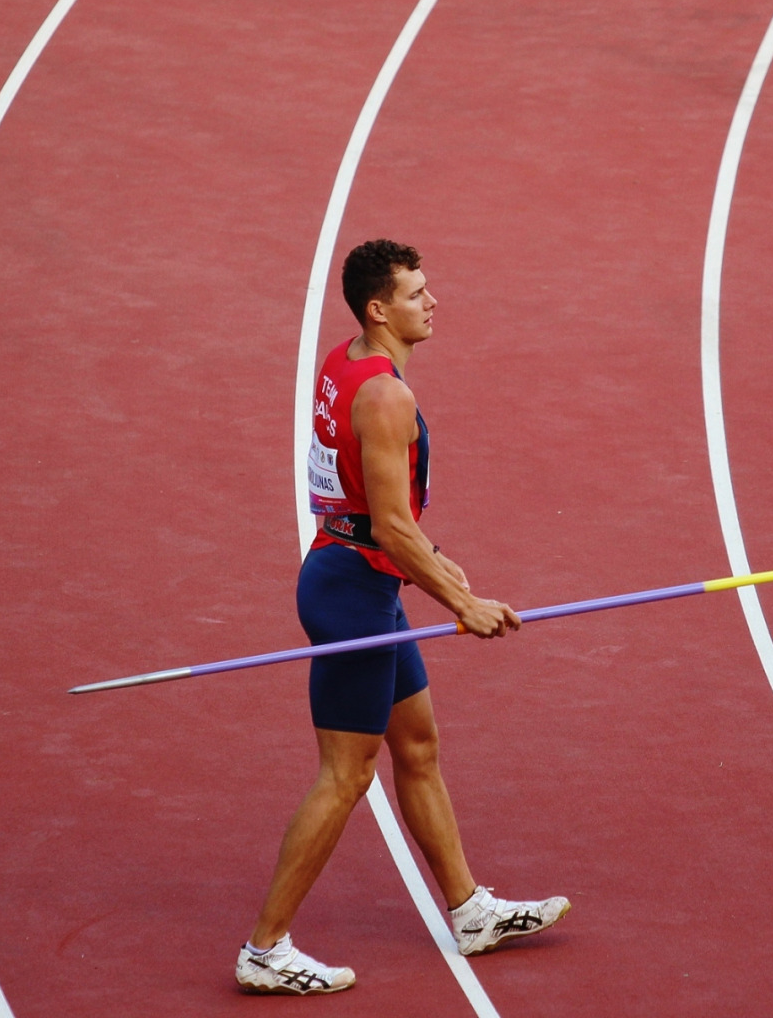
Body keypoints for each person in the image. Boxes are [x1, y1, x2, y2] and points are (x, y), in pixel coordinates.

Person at [236, 240, 569, 995]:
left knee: (417, 745)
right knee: (346, 776)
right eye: (418, 293)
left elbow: (372, 514)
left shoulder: (344, 361)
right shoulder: (387, 396)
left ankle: (468, 910)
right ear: (379, 309)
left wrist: (437, 561)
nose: (433, 301)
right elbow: (388, 526)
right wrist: (463, 603)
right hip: (354, 595)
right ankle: (264, 949)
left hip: (360, 576)